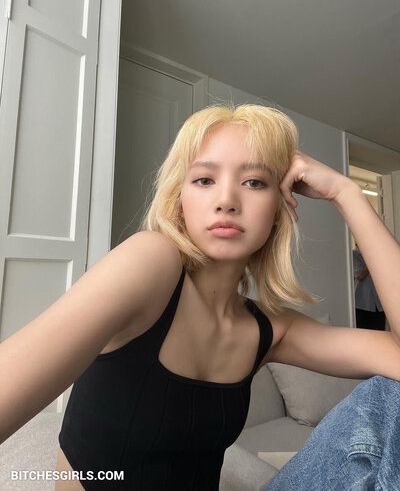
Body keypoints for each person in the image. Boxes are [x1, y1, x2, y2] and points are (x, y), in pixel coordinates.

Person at [1, 104, 400, 490]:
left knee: (390, 395)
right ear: (179, 201)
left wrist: (346, 193)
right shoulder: (150, 261)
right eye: (204, 180)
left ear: (278, 211)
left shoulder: (271, 329)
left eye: (254, 182)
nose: (227, 200)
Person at [353, 243, 386, 330]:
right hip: (362, 304)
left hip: (379, 304)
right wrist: (372, 260)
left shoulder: (379, 255)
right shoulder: (354, 254)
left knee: (380, 333)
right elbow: (360, 275)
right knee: (362, 333)